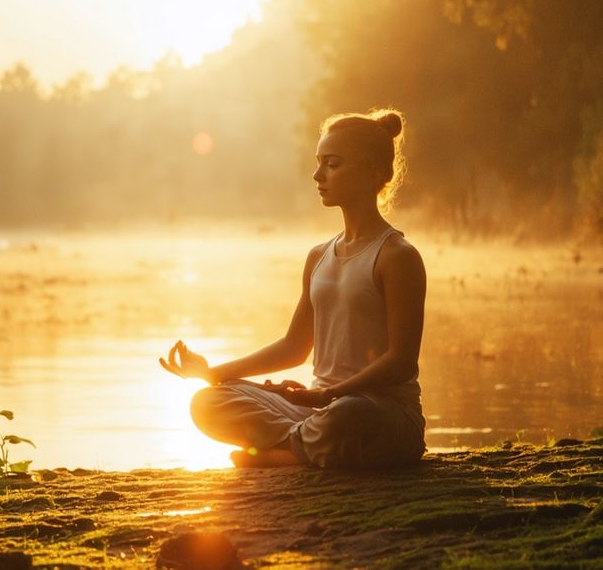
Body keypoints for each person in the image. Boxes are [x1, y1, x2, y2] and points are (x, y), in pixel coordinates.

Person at [159, 109, 426, 469]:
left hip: (381, 414)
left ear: (374, 173)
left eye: (332, 164)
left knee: (349, 414)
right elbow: (293, 347)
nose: (317, 175)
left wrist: (329, 394)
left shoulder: (397, 257)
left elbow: (401, 361)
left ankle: (287, 450)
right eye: (318, 163)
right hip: (319, 408)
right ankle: (298, 450)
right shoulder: (318, 256)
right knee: (207, 402)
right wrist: (212, 374)